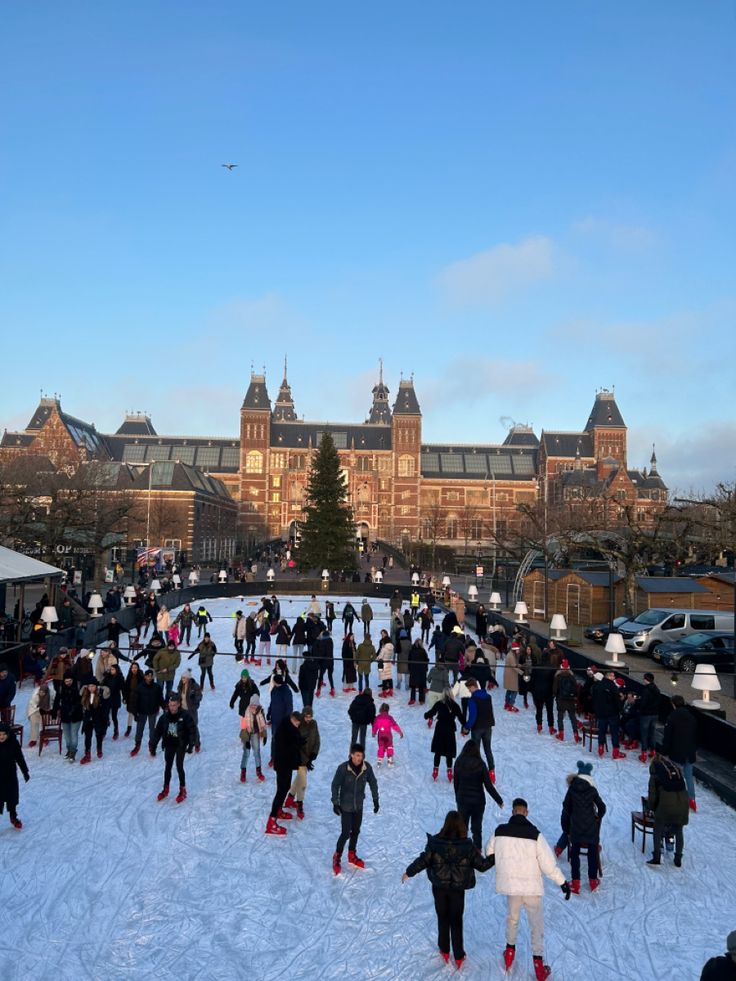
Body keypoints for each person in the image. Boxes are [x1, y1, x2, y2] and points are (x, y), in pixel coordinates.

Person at [485, 798, 571, 980]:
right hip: (532, 889)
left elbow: (489, 852)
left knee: (512, 919)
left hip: (512, 887)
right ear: (526, 813)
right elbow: (548, 865)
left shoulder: (500, 831)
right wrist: (562, 882)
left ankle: (509, 956)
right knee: (536, 926)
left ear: (513, 812)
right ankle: (539, 967)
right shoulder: (536, 835)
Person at [402, 809, 492, 968]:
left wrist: (409, 872)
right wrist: (496, 855)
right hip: (457, 890)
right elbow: (483, 866)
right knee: (456, 920)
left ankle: (444, 949)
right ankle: (458, 955)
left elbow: (423, 860)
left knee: (442, 917)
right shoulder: (468, 846)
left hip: (439, 888)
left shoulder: (435, 843)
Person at [330, 743, 379, 874]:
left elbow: (373, 782)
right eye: (357, 755)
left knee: (356, 831)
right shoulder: (343, 768)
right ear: (351, 755)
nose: (359, 758)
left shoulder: (366, 767)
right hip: (346, 806)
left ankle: (352, 855)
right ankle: (337, 856)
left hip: (358, 806)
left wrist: (376, 800)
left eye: (361, 756)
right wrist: (335, 802)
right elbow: (335, 785)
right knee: (346, 833)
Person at [560, 760, 606, 893]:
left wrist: (573, 815)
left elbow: (566, 806)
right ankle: (593, 881)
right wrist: (597, 817)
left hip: (576, 827)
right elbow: (602, 807)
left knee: (574, 854)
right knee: (592, 852)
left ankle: (575, 883)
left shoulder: (572, 789)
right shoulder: (592, 790)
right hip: (591, 827)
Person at [453, 740, 504, 849]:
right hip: (478, 802)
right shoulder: (481, 764)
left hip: (463, 801)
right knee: (477, 828)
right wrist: (498, 800)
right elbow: (488, 786)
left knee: (462, 827)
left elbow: (456, 783)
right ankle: (477, 850)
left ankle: (462, 850)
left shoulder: (458, 762)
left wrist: (458, 796)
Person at [151, 692, 196, 803]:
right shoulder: (164, 717)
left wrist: (191, 744)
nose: (172, 707)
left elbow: (192, 730)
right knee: (168, 767)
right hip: (169, 743)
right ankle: (166, 789)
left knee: (179, 766)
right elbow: (157, 731)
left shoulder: (185, 716)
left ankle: (183, 790)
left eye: (174, 705)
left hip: (180, 744)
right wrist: (153, 744)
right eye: (170, 705)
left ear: (179, 704)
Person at [646, 751, 689, 868]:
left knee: (658, 827)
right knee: (679, 830)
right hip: (683, 801)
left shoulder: (655, 773)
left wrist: (651, 808)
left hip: (667, 803)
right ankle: (678, 858)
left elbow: (652, 794)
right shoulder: (675, 768)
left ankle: (656, 857)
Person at [265, 712, 304, 836]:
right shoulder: (285, 730)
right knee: (281, 790)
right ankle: (271, 822)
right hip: (283, 765)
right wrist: (297, 744)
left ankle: (279, 810)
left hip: (286, 764)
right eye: (297, 723)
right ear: (293, 720)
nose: (298, 726)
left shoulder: (290, 728)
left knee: (285, 787)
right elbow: (287, 747)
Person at [661, 694, 697, 811]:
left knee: (676, 776)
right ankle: (692, 799)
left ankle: (677, 800)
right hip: (689, 751)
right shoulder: (691, 717)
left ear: (673, 704)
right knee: (689, 776)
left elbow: (668, 737)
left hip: (677, 752)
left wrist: (664, 751)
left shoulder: (672, 717)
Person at [285, 704, 320, 819]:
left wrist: (314, 754)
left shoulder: (314, 724)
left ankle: (290, 799)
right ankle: (299, 804)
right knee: (303, 783)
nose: (308, 719)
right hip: (299, 758)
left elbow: (317, 739)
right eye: (306, 716)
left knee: (299, 779)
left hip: (308, 757)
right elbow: (298, 745)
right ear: (303, 715)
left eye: (310, 717)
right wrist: (306, 760)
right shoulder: (299, 726)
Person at [462, 678, 496, 782]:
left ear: (473, 687)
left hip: (477, 728)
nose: (469, 691)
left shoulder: (472, 700)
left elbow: (472, 716)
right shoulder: (488, 697)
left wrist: (466, 728)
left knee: (475, 751)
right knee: (488, 750)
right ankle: (491, 772)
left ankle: (477, 772)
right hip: (488, 727)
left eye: (469, 689)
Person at [425, 688, 463, 781]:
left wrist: (426, 715)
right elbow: (461, 718)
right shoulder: (455, 705)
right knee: (449, 751)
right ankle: (450, 772)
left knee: (438, 750)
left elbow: (431, 712)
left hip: (440, 729)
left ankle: (435, 770)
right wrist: (466, 726)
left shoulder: (439, 703)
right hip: (450, 729)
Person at [591, 670, 626, 759]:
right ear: (608, 676)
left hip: (601, 713)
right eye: (612, 676)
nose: (614, 678)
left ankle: (600, 748)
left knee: (601, 730)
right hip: (612, 713)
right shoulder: (612, 686)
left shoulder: (597, 685)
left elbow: (594, 698)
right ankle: (615, 751)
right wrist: (621, 707)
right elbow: (616, 700)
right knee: (614, 732)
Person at [0, 723, 30, 829]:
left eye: (3, 734)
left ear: (8, 734)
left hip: (10, 774)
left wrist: (25, 772)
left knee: (11, 797)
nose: (1, 737)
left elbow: (19, 758)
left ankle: (13, 817)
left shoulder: (13, 743)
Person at [130, 670, 165, 757]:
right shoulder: (139, 687)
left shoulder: (157, 687)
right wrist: (135, 713)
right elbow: (134, 701)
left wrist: (165, 707)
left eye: (151, 676)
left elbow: (160, 699)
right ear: (145, 677)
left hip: (153, 711)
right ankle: (137, 745)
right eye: (148, 676)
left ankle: (152, 746)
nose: (149, 678)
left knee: (152, 730)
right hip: (142, 712)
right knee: (139, 730)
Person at [79, 679, 111, 764]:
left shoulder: (101, 695)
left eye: (93, 686)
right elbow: (80, 696)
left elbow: (106, 702)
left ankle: (99, 749)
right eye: (89, 686)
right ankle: (87, 754)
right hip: (88, 720)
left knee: (98, 735)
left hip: (98, 719)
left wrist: (106, 719)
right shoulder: (85, 694)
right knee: (87, 737)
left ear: (96, 686)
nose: (91, 688)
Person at [53, 670, 83, 760]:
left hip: (76, 715)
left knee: (74, 734)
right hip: (65, 715)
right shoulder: (61, 688)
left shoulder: (78, 687)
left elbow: (81, 701)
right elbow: (56, 700)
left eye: (69, 681)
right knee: (66, 735)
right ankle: (69, 750)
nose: (68, 683)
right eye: (66, 681)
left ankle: (73, 752)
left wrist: (76, 708)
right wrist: (54, 713)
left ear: (73, 680)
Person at [240, 693, 268, 782]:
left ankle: (259, 771)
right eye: (252, 705)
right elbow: (244, 727)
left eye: (255, 705)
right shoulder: (247, 711)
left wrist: (265, 735)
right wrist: (246, 741)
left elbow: (263, 723)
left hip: (255, 733)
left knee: (257, 751)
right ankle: (243, 772)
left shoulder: (260, 711)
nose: (253, 707)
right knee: (246, 753)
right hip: (247, 733)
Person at [267, 675, 293, 765]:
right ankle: (273, 758)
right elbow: (272, 703)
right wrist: (269, 713)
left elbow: (289, 707)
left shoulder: (286, 692)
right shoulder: (274, 690)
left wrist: (286, 721)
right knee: (274, 739)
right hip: (274, 720)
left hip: (283, 722)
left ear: (275, 681)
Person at [553, 660, 579, 742]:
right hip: (570, 700)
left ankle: (561, 734)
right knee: (572, 717)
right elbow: (575, 688)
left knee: (560, 717)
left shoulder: (558, 677)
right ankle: (576, 735)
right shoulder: (572, 677)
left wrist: (555, 695)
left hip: (561, 700)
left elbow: (554, 689)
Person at [637, 672, 661, 763]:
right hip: (655, 714)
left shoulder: (646, 691)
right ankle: (653, 751)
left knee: (644, 734)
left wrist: (639, 704)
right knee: (652, 733)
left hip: (646, 715)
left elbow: (643, 704)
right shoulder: (657, 689)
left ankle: (643, 753)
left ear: (646, 680)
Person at [177, 669, 202, 752]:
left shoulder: (194, 686)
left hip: (191, 711)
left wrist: (194, 697)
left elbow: (199, 697)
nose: (182, 679)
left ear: (188, 678)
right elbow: (179, 696)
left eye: (184, 678)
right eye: (182, 678)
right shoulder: (181, 685)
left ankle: (197, 743)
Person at [102, 663, 124, 740]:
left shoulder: (120, 678)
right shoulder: (108, 677)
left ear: (116, 670)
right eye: (111, 669)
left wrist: (124, 698)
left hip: (115, 699)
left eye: (113, 669)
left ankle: (116, 731)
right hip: (107, 698)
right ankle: (104, 731)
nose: (111, 671)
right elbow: (102, 685)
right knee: (105, 716)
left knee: (114, 716)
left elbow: (122, 688)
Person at [26, 682, 51, 748]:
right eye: (41, 692)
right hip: (34, 710)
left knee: (44, 723)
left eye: (43, 692)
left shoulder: (51, 693)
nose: (41, 693)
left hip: (45, 710)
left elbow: (53, 702)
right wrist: (38, 707)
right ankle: (33, 739)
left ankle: (45, 738)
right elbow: (32, 702)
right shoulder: (35, 693)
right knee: (33, 724)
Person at [123, 661, 142, 738]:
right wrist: (125, 697)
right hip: (130, 697)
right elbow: (126, 688)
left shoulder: (140, 676)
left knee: (138, 714)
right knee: (130, 713)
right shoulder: (129, 676)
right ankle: (129, 728)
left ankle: (139, 730)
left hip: (138, 698)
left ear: (138, 668)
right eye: (132, 668)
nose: (134, 669)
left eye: (135, 668)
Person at [314, 628, 335, 698]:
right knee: (330, 675)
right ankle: (332, 689)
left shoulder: (322, 642)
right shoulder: (331, 641)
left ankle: (318, 690)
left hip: (324, 662)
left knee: (320, 676)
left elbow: (321, 652)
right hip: (331, 661)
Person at [408, 639, 429, 705]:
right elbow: (426, 660)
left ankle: (412, 699)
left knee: (413, 685)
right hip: (421, 670)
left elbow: (409, 660)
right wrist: (426, 669)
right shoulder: (423, 651)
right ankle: (421, 700)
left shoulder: (412, 651)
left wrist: (410, 668)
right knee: (421, 685)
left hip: (413, 670)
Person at [503, 642, 523, 712]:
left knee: (509, 689)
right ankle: (510, 705)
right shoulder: (511, 656)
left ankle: (507, 703)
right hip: (511, 675)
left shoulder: (512, 654)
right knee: (514, 690)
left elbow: (514, 664)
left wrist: (520, 665)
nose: (519, 651)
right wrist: (521, 672)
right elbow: (514, 666)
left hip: (510, 675)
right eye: (518, 649)